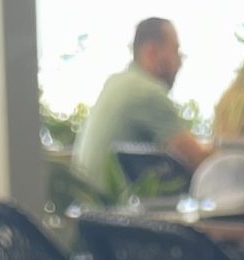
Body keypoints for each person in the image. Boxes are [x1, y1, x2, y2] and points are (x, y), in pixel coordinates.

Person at [74, 19, 214, 196]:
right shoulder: (146, 92)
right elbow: (201, 163)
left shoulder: (117, 82)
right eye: (176, 51)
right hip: (113, 210)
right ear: (152, 52)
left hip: (88, 208)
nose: (180, 62)